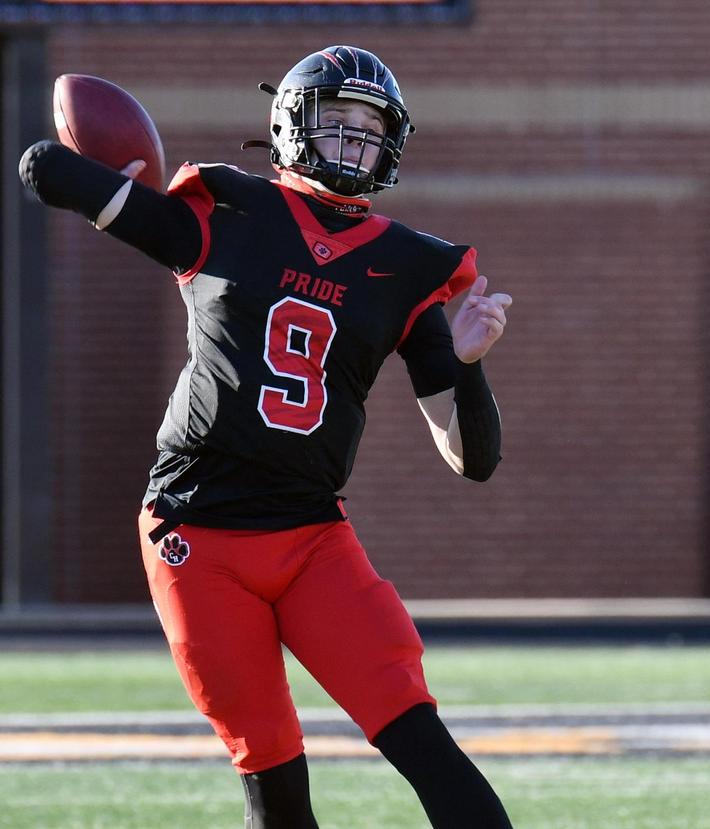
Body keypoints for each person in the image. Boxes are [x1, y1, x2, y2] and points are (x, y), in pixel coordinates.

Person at [20, 45, 514, 829]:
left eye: (369, 125)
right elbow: (44, 168)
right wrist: (115, 172)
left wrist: (469, 364)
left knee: (424, 742)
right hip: (196, 531)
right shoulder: (228, 211)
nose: (355, 138)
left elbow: (472, 458)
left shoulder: (409, 265)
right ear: (290, 125)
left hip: (313, 535)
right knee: (274, 775)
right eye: (338, 120)